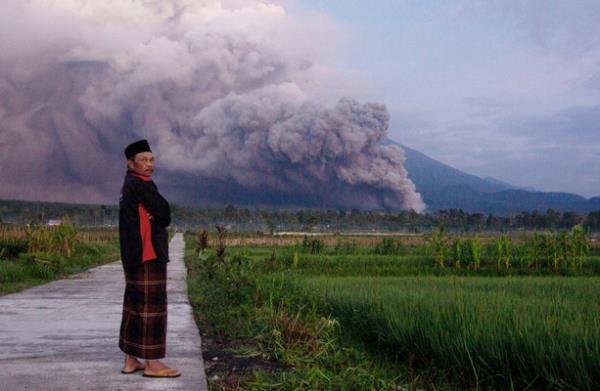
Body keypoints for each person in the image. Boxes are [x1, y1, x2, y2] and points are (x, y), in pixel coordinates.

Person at [118, 139, 181, 378]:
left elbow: (159, 213)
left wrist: (154, 213)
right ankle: (153, 363)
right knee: (151, 308)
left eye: (151, 159)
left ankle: (131, 360)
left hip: (133, 256)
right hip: (147, 255)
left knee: (134, 306)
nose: (149, 164)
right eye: (143, 160)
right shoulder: (141, 185)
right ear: (130, 163)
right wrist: (157, 215)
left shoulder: (128, 185)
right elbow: (165, 214)